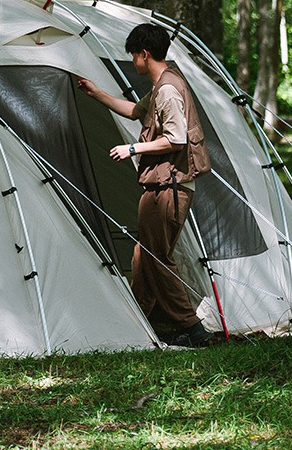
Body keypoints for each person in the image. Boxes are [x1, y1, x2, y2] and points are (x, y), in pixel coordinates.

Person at [77, 23, 214, 347]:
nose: (133, 62)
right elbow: (135, 111)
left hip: (170, 187)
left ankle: (191, 328)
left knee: (155, 256)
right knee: (143, 256)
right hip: (163, 185)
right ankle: (141, 318)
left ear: (144, 53)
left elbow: (176, 139)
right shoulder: (162, 87)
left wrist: (133, 149)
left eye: (134, 56)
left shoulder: (167, 89)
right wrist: (96, 93)